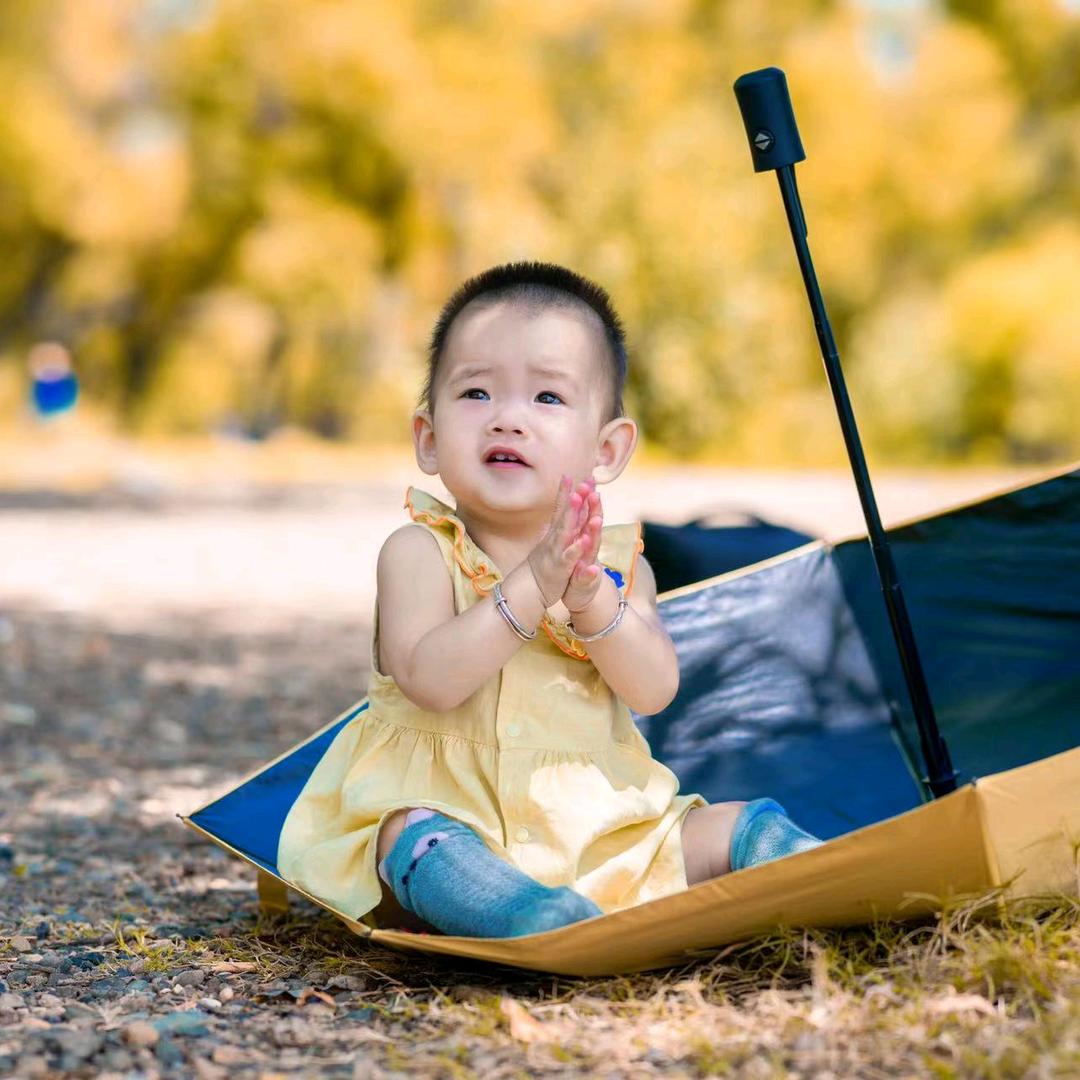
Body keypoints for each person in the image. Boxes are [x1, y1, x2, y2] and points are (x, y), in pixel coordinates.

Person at [276, 260, 823, 938]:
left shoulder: (620, 569)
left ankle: (823, 870)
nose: (508, 419)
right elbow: (431, 681)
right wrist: (533, 585)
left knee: (725, 825)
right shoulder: (418, 553)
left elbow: (654, 689)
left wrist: (592, 600)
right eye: (476, 392)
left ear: (606, 450)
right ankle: (518, 913)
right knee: (407, 835)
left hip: (597, 833)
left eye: (547, 398)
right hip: (450, 813)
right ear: (428, 438)